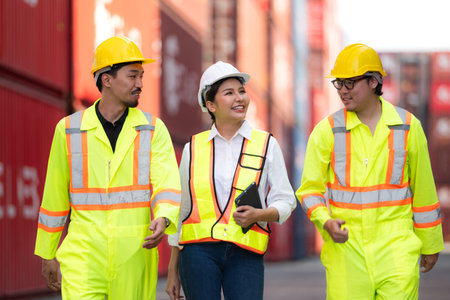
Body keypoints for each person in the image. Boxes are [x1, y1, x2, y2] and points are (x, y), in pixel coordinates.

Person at [34, 36, 181, 299]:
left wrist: (164, 216)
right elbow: (54, 197)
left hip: (134, 255)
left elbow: (166, 182)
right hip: (83, 257)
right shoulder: (68, 129)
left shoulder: (152, 129)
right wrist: (47, 253)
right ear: (107, 79)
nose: (140, 84)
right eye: (133, 76)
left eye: (142, 76)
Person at [296, 43, 444, 299]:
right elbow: (309, 190)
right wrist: (325, 221)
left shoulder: (408, 127)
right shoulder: (326, 131)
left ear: (374, 82)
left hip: (396, 251)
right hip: (346, 251)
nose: (342, 90)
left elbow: (424, 193)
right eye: (338, 83)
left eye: (350, 83)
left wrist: (430, 245)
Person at [165, 61, 297, 300]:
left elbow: (286, 200)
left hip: (245, 253)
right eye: (229, 93)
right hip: (197, 253)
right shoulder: (192, 148)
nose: (240, 98)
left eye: (242, 91)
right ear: (211, 104)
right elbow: (181, 211)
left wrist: (260, 215)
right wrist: (173, 270)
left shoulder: (267, 144)